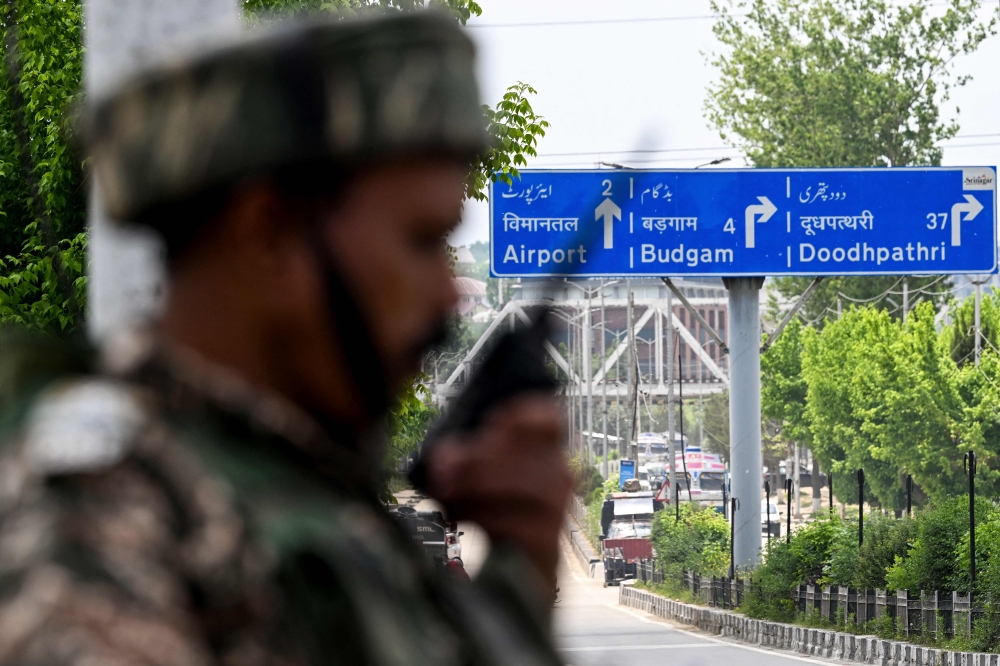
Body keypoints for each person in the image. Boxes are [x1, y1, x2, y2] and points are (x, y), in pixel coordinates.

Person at [0, 11, 571, 665]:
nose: (450, 291)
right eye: (421, 242)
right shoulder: (100, 514)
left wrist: (520, 571)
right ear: (269, 232)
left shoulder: (316, 499)